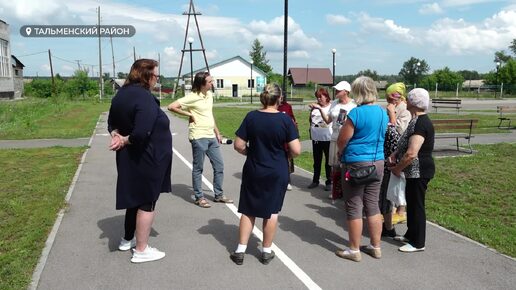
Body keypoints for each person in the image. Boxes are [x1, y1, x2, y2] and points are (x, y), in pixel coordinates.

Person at [108, 58, 171, 263]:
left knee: (134, 198)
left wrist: (116, 136)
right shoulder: (144, 97)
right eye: (156, 75)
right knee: (146, 200)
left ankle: (127, 239)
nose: (157, 79)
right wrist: (126, 139)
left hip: (131, 158)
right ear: (146, 75)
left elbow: (111, 124)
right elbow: (142, 132)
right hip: (147, 157)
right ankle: (142, 249)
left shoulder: (121, 94)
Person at [230, 83, 301, 265]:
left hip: (254, 167)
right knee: (272, 210)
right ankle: (266, 250)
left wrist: (250, 153)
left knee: (248, 209)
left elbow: (238, 145)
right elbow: (296, 150)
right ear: (279, 99)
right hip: (277, 169)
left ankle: (240, 250)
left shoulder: (252, 117)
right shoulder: (285, 120)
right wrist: (285, 155)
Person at [335, 76, 388, 262]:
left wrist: (341, 153)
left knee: (354, 205)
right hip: (377, 162)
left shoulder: (356, 114)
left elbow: (343, 139)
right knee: (373, 204)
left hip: (356, 163)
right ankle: (376, 246)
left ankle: (354, 249)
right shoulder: (383, 112)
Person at [168, 72, 233, 208]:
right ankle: (199, 197)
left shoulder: (209, 95)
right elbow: (171, 106)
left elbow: (209, 114)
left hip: (211, 136)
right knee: (198, 168)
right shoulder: (192, 97)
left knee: (219, 166)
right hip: (198, 136)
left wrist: (217, 132)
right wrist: (189, 114)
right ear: (202, 84)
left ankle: (218, 195)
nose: (212, 83)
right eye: (210, 81)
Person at [388, 88, 435, 253]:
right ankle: (410, 235)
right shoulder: (415, 120)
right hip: (412, 172)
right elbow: (405, 144)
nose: (405, 102)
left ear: (414, 103)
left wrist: (397, 169)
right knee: (411, 202)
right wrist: (395, 154)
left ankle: (418, 242)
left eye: (408, 99)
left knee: (417, 205)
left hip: (419, 170)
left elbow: (412, 153)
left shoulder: (421, 123)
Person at [312, 81, 356, 199]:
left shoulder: (353, 105)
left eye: (338, 90)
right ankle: (336, 190)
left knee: (346, 166)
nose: (336, 92)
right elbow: (328, 121)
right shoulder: (335, 104)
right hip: (335, 137)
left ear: (346, 92)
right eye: (336, 90)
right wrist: (320, 109)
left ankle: (348, 190)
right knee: (335, 166)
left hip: (348, 138)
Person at [379, 83, 412, 237]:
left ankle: (389, 227)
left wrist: (392, 115)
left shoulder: (405, 112)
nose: (389, 101)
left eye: (391, 97)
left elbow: (397, 134)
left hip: (396, 158)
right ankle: (387, 224)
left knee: (391, 191)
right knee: (387, 191)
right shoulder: (387, 109)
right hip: (385, 155)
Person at [307, 87, 332, 191]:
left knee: (328, 162)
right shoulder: (315, 108)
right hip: (316, 138)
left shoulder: (331, 107)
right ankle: (315, 180)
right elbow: (311, 120)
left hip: (328, 138)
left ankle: (329, 182)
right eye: (317, 97)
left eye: (320, 97)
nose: (318, 99)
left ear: (326, 96)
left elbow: (330, 121)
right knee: (317, 161)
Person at [278, 94, 298, 191]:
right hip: (277, 137)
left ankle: (287, 181)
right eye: (279, 96)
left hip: (286, 138)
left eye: (282, 96)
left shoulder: (287, 106)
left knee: (287, 160)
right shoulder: (273, 107)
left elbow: (292, 119)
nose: (280, 98)